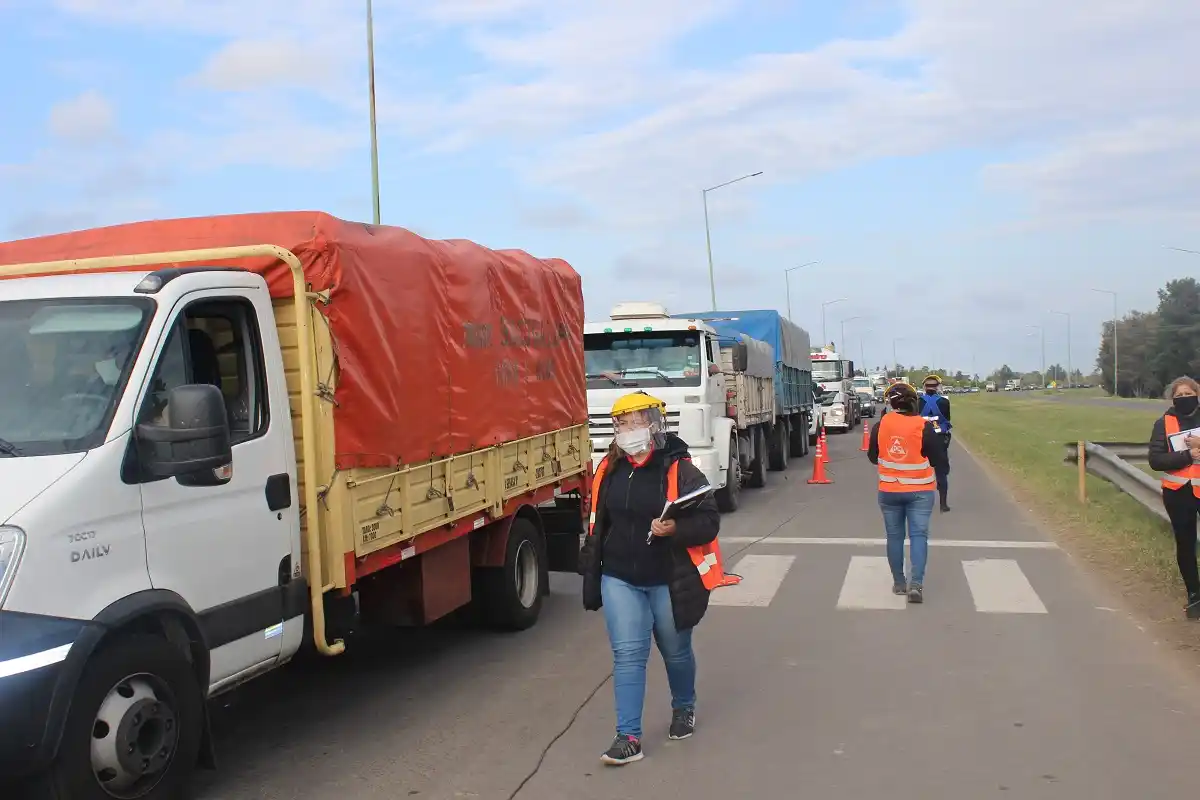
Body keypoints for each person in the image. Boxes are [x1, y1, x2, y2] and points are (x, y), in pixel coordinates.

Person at [578, 391, 726, 765]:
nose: (630, 430)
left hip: (667, 579)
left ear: (655, 425)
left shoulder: (681, 469)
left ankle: (684, 706)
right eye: (622, 424)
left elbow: (709, 521)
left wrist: (675, 528)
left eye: (637, 422)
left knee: (676, 651)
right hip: (619, 577)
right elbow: (598, 523)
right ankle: (628, 737)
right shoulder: (609, 469)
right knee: (628, 655)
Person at [867, 382, 947, 603]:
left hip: (889, 491)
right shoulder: (923, 426)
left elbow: (873, 457)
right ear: (913, 403)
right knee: (918, 536)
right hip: (920, 491)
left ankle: (899, 583)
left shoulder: (880, 425)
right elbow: (937, 459)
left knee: (894, 537)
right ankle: (916, 585)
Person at [1148, 376, 1200, 619]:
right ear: (1172, 399)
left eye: (1189, 393)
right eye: (1179, 395)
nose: (1184, 398)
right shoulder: (1163, 423)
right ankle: (1194, 596)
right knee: (1186, 545)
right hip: (1178, 494)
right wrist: (1188, 456)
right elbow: (1156, 460)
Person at [920, 373, 953, 512]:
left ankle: (920, 503)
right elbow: (947, 419)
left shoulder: (918, 401)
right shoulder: (944, 402)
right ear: (937, 387)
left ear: (924, 387)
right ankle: (943, 504)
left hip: (922, 438)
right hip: (939, 439)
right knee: (941, 473)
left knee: (920, 472)